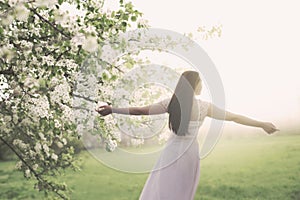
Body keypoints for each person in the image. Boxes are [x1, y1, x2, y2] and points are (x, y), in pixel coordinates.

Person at [96, 70, 279, 200]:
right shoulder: (204, 107)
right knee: (181, 192)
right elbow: (234, 117)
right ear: (194, 84)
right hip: (190, 154)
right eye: (199, 82)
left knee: (163, 190)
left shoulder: (171, 103)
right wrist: (261, 124)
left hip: (171, 153)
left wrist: (112, 109)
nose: (201, 85)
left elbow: (139, 111)